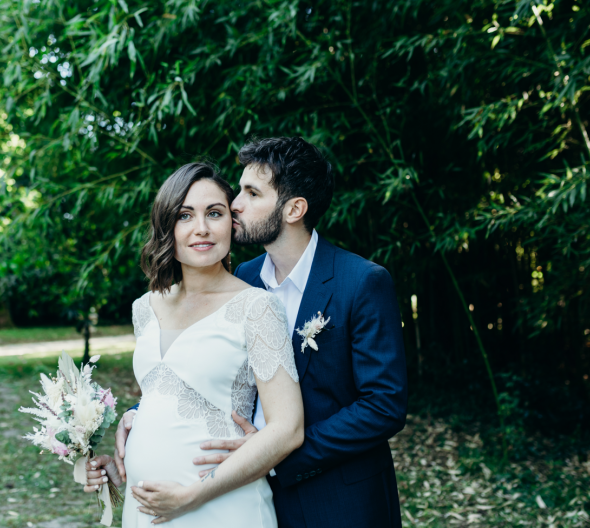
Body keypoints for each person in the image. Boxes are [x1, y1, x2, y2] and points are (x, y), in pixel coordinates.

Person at [111, 138, 408, 527]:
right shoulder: (243, 279)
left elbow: (383, 405)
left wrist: (276, 454)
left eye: (251, 193)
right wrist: (140, 415)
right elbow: (212, 367)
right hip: (245, 489)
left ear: (294, 208)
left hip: (338, 496)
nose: (235, 204)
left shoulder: (361, 282)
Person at [83, 162, 305, 527]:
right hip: (147, 509)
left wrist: (193, 496)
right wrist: (117, 464)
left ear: (231, 224)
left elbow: (288, 428)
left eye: (214, 213)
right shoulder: (145, 307)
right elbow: (164, 401)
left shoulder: (257, 307)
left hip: (223, 505)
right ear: (166, 225)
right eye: (185, 215)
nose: (201, 228)